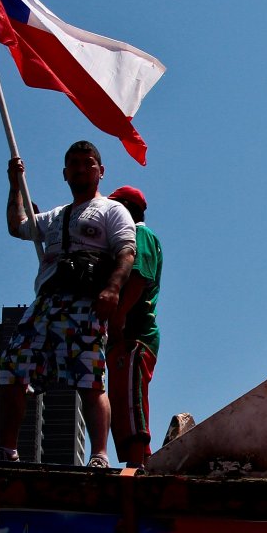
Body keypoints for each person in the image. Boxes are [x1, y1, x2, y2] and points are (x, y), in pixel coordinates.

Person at [0, 141, 135, 468]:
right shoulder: (57, 216)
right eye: (74, 164)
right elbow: (18, 226)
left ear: (101, 171)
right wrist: (15, 184)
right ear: (65, 174)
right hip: (46, 302)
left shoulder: (112, 210)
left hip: (84, 302)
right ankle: (7, 451)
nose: (81, 169)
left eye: (88, 163)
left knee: (90, 378)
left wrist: (112, 289)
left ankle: (99, 455)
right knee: (13, 368)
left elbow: (127, 252)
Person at [106, 185, 163, 468]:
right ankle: (138, 460)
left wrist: (119, 316)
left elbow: (139, 278)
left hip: (136, 333)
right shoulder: (128, 239)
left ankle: (138, 463)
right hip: (125, 334)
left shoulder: (140, 234)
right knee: (121, 396)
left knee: (131, 396)